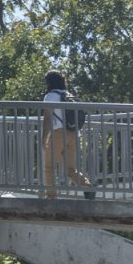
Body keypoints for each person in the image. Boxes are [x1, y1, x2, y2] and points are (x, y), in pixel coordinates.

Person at [41, 70, 94, 199]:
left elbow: (47, 118)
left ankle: (51, 197)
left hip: (58, 133)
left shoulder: (50, 96)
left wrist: (44, 137)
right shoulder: (69, 94)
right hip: (74, 133)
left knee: (49, 166)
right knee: (70, 168)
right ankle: (88, 187)